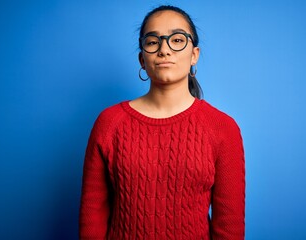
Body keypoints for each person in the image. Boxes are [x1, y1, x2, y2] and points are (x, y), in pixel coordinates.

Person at [79, 5, 245, 240]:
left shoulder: (223, 128)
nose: (164, 50)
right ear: (142, 58)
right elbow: (91, 217)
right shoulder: (109, 123)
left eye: (177, 40)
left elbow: (229, 226)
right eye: (153, 41)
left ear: (194, 55)